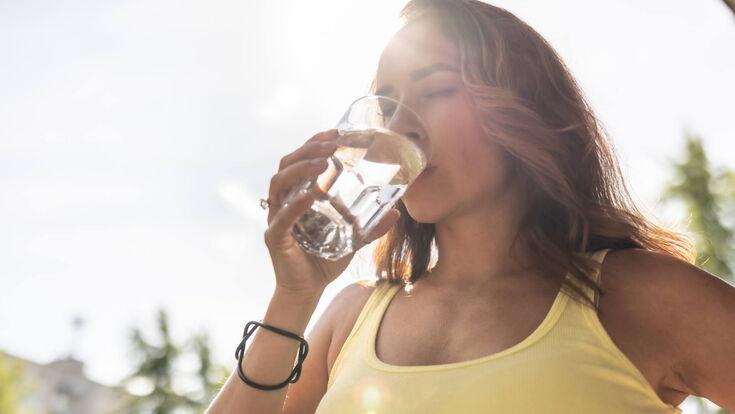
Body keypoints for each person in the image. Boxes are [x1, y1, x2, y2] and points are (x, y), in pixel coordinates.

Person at [206, 1, 735, 413]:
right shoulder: (351, 317)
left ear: (525, 109)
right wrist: (294, 298)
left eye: (435, 90)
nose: (400, 125)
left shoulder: (640, 295)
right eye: (386, 104)